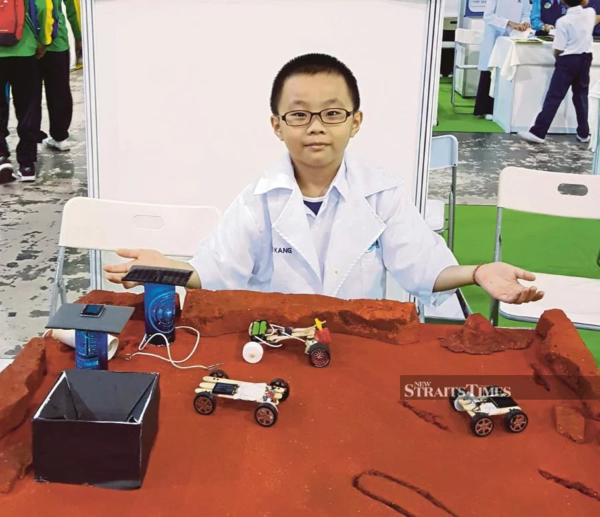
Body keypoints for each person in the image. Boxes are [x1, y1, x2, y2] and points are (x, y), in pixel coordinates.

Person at [105, 53, 544, 307]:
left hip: (357, 339)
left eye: (332, 113)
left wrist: (478, 271)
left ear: (355, 121)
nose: (316, 126)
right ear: (277, 125)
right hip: (275, 339)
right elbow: (215, 271)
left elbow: (424, 269)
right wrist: (168, 269)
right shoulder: (259, 200)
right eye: (299, 114)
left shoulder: (382, 194)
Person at [519, 0, 596, 144]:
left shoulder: (563, 21)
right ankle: (584, 133)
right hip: (585, 59)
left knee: (554, 96)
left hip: (567, 60)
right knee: (581, 97)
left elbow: (559, 48)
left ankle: (538, 132)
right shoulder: (590, 13)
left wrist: (558, 59)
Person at [0, 0, 53, 184]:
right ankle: (27, 165)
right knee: (27, 107)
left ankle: (1, 158)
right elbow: (44, 8)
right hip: (24, 51)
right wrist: (44, 41)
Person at [474, 0, 531, 119]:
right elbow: (488, 16)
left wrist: (525, 23)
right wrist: (509, 23)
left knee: (508, 71)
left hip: (514, 37)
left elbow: (526, 13)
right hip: (494, 36)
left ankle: (505, 109)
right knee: (490, 71)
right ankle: (486, 108)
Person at [38, 0, 82, 152]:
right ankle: (60, 137)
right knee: (60, 89)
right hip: (57, 40)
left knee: (28, 92)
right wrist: (79, 35)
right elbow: (73, 7)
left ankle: (31, 136)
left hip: (27, 42)